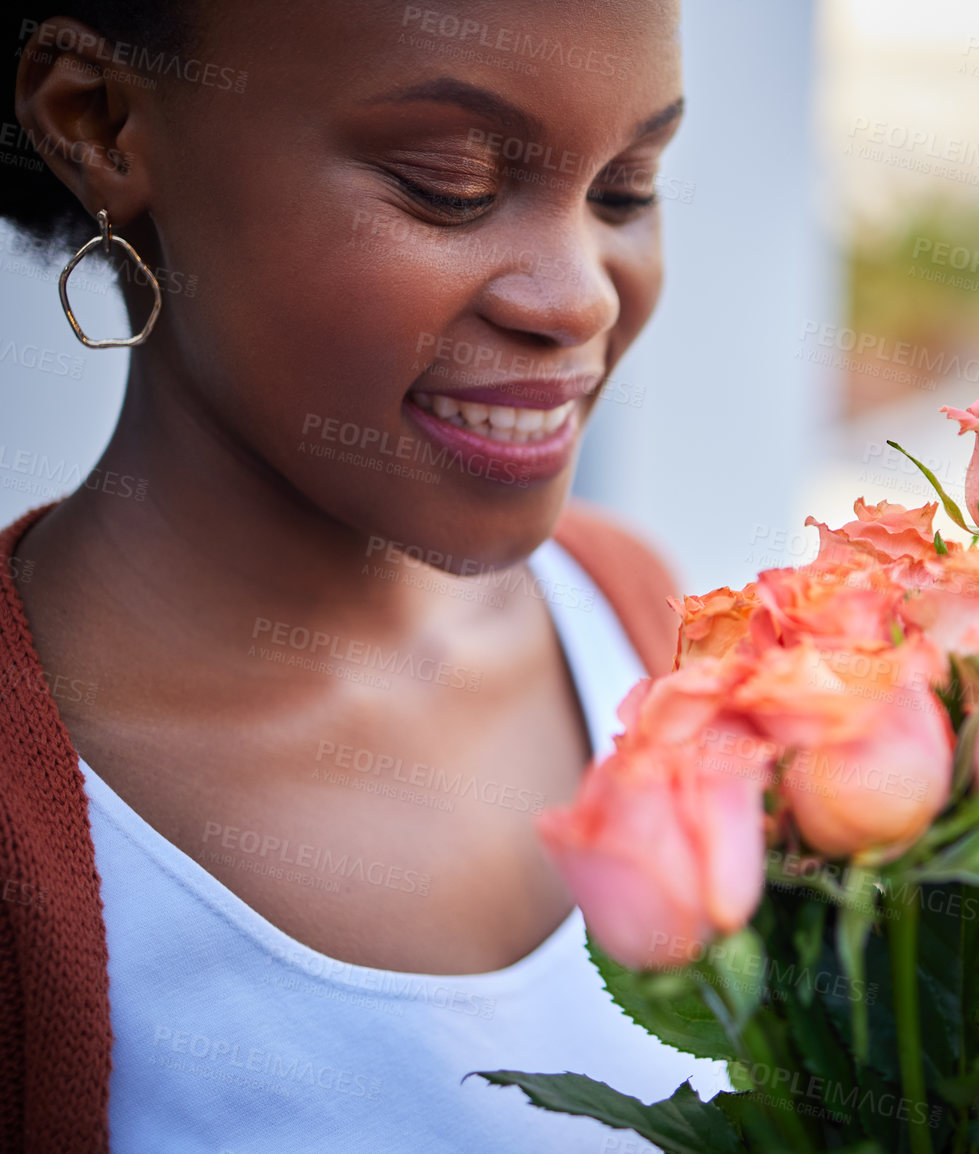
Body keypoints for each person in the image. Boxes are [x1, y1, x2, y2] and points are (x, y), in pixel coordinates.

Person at [0, 1, 719, 1149]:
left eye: (626, 186)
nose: (580, 294)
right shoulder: (29, 837)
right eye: (450, 184)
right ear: (102, 123)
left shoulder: (645, 627)